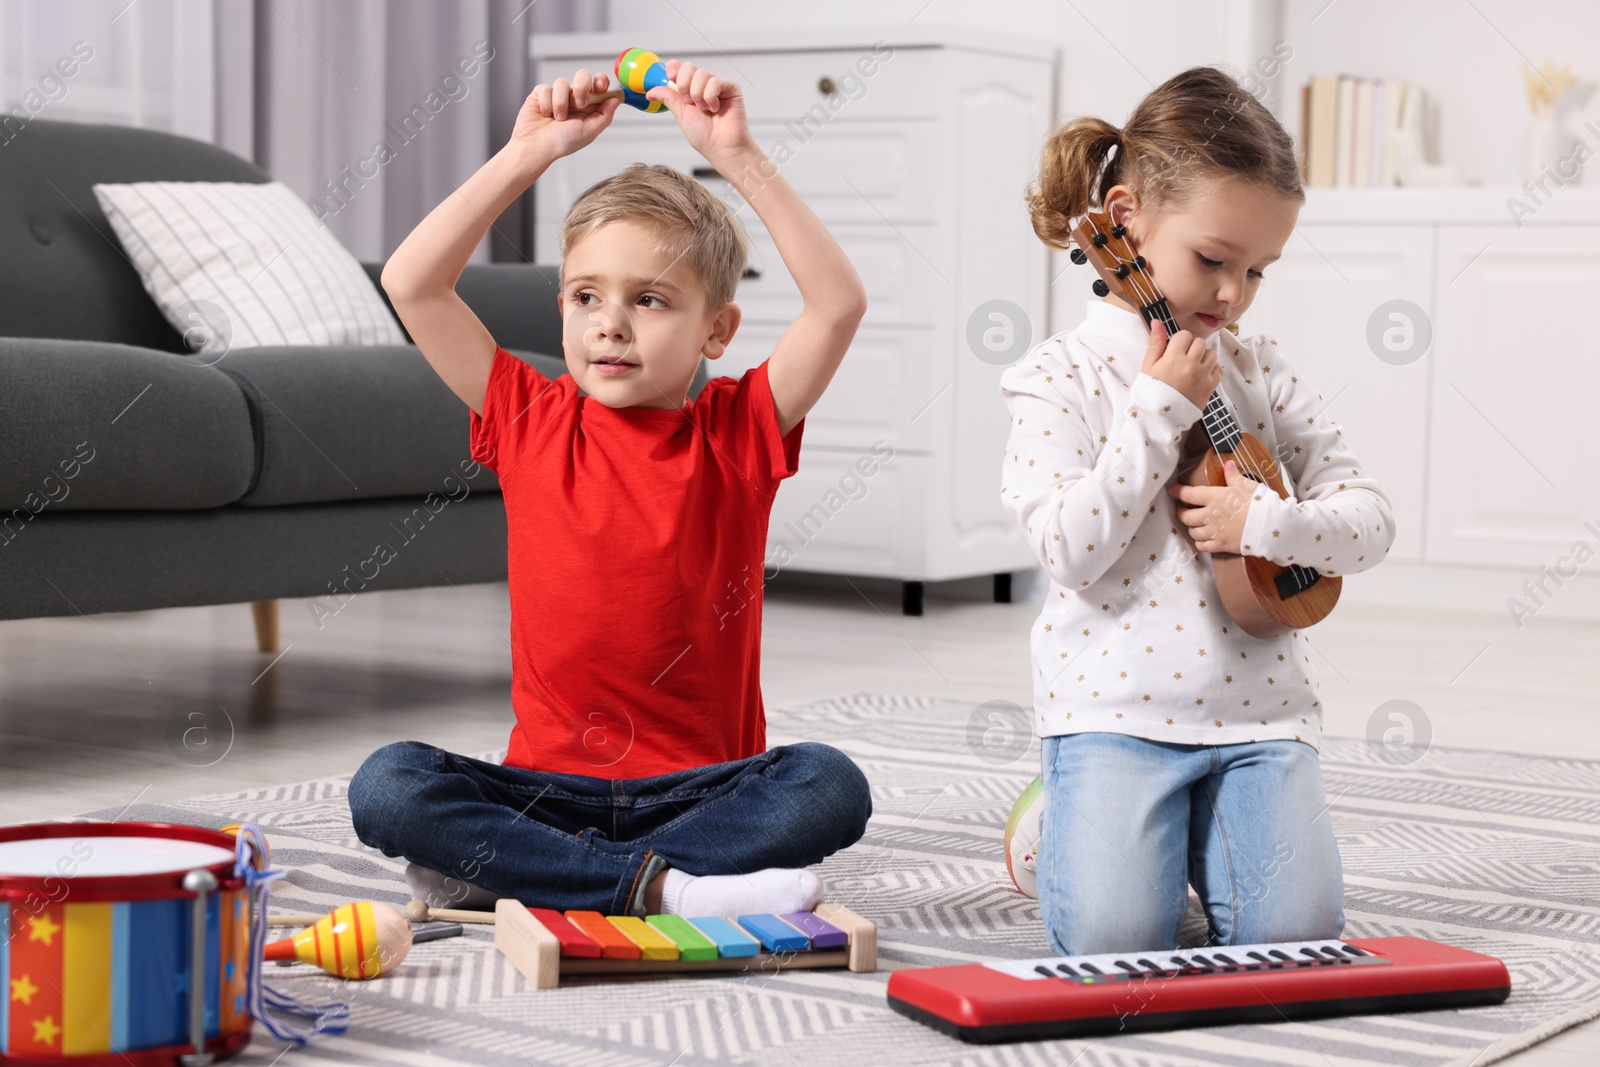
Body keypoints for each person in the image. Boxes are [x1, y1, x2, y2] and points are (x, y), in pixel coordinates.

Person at [349, 59, 872, 920]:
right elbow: (412, 282)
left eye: (651, 299)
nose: (610, 323)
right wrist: (527, 155)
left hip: (704, 793)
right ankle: (664, 887)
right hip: (543, 790)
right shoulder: (527, 416)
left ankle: (539, 873)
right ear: (561, 305)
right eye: (587, 295)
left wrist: (738, 157)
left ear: (718, 329)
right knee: (389, 784)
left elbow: (838, 305)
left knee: (829, 785)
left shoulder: (738, 430)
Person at [1000, 65, 1397, 955]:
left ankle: (1182, 830)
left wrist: (1270, 525)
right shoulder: (1057, 376)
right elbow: (1070, 549)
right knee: (1111, 941)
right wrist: (1156, 407)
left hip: (1260, 716)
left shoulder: (1260, 370)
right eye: (1213, 260)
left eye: (1258, 270)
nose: (1232, 296)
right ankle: (1064, 811)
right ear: (1129, 218)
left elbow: (1369, 517)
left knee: (1296, 935)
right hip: (1113, 711)